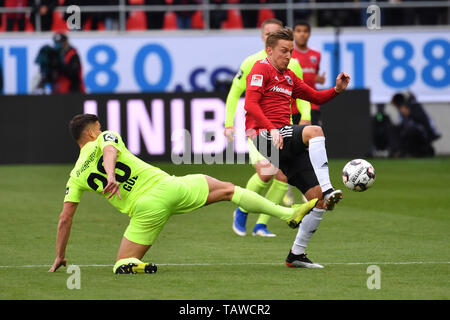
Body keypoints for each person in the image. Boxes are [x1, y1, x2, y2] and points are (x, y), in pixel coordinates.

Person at [48, 114, 318, 274]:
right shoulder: (105, 137)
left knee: (121, 262)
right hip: (169, 188)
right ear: (94, 131)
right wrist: (109, 175)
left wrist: (60, 255)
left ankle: (131, 264)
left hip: (143, 211)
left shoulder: (75, 175)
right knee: (227, 189)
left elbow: (64, 218)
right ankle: (287, 213)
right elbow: (109, 151)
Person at [245, 27, 350, 268]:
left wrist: (336, 90)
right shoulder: (261, 68)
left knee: (317, 202)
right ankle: (328, 187)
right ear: (269, 50)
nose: (288, 56)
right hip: (265, 134)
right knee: (315, 130)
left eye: (291, 51)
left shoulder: (289, 76)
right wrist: (271, 128)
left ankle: (296, 255)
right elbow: (250, 105)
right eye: (283, 51)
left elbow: (316, 97)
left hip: (283, 138)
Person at [224, 18, 312, 238]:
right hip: (259, 128)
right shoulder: (251, 63)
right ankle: (243, 209)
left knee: (283, 178)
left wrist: (306, 116)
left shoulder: (292, 64)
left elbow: (302, 94)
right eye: (267, 34)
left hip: (283, 126)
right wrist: (227, 123)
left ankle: (261, 225)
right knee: (265, 172)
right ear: (264, 39)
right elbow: (235, 93)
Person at [292, 21, 325, 126]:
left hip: (312, 104)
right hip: (293, 105)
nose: (302, 34)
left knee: (313, 137)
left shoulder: (316, 55)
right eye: (298, 31)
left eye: (305, 31)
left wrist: (317, 78)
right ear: (293, 34)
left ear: (309, 34)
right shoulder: (288, 54)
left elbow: (312, 74)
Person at [390, 91, 441, 158]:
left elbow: (423, 122)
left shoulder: (414, 106)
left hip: (423, 133)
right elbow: (402, 124)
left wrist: (410, 114)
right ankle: (398, 151)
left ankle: (416, 151)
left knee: (410, 131)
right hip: (411, 132)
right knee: (393, 129)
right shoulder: (402, 110)